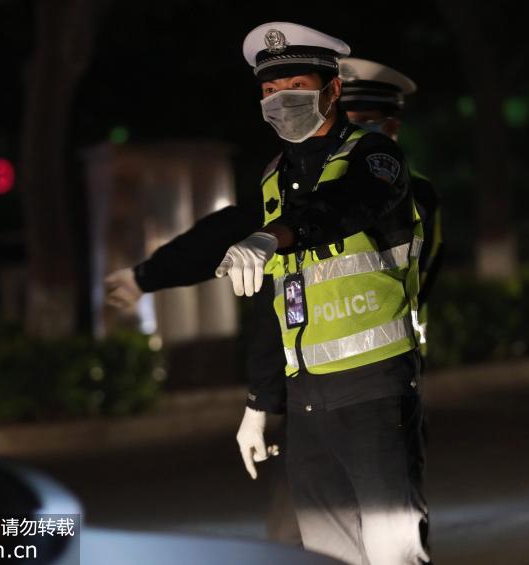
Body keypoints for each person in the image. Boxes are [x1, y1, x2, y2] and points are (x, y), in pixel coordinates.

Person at [106, 21, 431, 565]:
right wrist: (259, 404)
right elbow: (260, 288)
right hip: (307, 404)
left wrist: (268, 237)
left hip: (374, 391)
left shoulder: (375, 158)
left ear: (332, 90)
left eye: (295, 88)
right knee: (328, 555)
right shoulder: (274, 179)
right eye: (269, 93)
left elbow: (339, 208)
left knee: (393, 552)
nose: (281, 102)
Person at [339, 57, 444, 359]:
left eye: (363, 121)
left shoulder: (417, 191)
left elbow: (425, 270)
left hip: (394, 353)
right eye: (345, 123)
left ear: (392, 126)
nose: (352, 133)